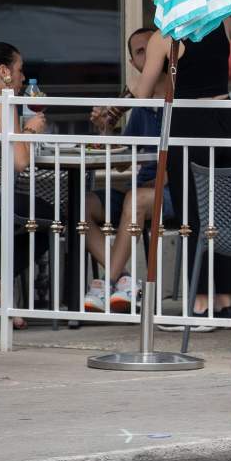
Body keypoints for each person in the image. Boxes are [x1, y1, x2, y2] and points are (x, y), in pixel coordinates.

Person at [0, 42, 109, 328]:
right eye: (19, 69)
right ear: (3, 72)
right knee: (52, 216)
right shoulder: (1, 101)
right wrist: (30, 129)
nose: (23, 78)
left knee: (24, 213)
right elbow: (20, 162)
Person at [132, 0, 231, 330]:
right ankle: (224, 298)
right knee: (222, 211)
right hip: (225, 119)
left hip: (189, 122)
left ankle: (200, 301)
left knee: (194, 213)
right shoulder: (222, 22)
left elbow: (143, 93)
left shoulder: (167, 36)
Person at [86, 27, 176, 312]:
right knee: (78, 203)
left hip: (175, 192)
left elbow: (189, 159)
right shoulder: (140, 107)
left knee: (133, 199)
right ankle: (124, 281)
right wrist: (106, 128)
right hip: (139, 193)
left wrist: (159, 183)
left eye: (152, 48)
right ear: (135, 64)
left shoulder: (181, 99)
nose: (149, 55)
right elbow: (122, 160)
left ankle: (108, 281)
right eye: (141, 51)